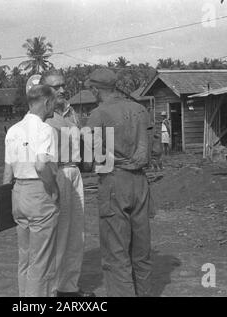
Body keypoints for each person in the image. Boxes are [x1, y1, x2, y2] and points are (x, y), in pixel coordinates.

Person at [83, 68, 153, 297]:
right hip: (141, 182)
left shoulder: (99, 114)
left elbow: (88, 159)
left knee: (116, 252)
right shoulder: (140, 109)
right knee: (141, 250)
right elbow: (157, 149)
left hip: (114, 182)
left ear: (95, 89)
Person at [40, 70, 95, 297]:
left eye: (63, 85)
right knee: (58, 233)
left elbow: (81, 141)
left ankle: (68, 286)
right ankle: (51, 289)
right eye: (56, 87)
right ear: (45, 90)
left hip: (74, 171)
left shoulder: (72, 112)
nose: (62, 90)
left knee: (76, 233)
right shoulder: (42, 115)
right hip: (56, 172)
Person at [3, 84, 59, 297]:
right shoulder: (45, 130)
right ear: (46, 102)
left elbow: (7, 171)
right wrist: (52, 189)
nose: (55, 105)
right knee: (41, 261)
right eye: (53, 102)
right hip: (39, 193)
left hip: (18, 192)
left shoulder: (14, 130)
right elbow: (41, 165)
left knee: (25, 258)